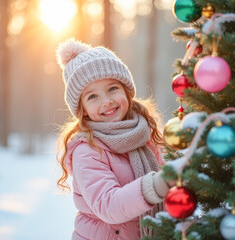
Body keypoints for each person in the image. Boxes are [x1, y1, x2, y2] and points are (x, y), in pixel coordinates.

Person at [56, 38, 174, 240]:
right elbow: (108, 205)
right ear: (82, 110)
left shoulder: (144, 133)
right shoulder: (87, 149)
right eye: (92, 97)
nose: (107, 101)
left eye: (112, 89)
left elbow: (168, 177)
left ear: (127, 91)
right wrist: (158, 184)